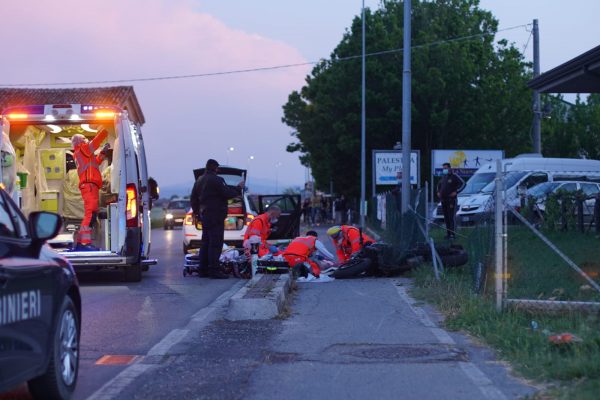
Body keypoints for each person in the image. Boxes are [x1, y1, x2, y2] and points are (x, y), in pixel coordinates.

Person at [191, 159, 244, 279]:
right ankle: (214, 271)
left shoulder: (199, 180)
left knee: (205, 243)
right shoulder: (217, 180)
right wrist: (238, 188)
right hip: (216, 216)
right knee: (216, 243)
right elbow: (227, 193)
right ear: (215, 168)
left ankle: (202, 270)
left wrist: (197, 213)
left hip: (205, 215)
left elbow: (193, 199)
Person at [72, 130, 111, 250]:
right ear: (80, 141)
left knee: (92, 214)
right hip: (89, 186)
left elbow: (95, 163)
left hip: (90, 186)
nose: (86, 140)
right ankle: (83, 243)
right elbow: (96, 142)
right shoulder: (82, 148)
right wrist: (104, 130)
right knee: (89, 214)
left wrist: (102, 154)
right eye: (84, 139)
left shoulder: (82, 153)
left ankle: (82, 242)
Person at [436, 162, 465, 239]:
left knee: (451, 217)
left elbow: (463, 184)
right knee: (446, 217)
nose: (444, 170)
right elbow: (438, 186)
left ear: (449, 168)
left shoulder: (454, 176)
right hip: (443, 200)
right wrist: (438, 192)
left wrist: (456, 192)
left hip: (451, 200)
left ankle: (453, 234)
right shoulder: (443, 177)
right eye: (443, 168)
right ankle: (448, 233)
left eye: (445, 168)